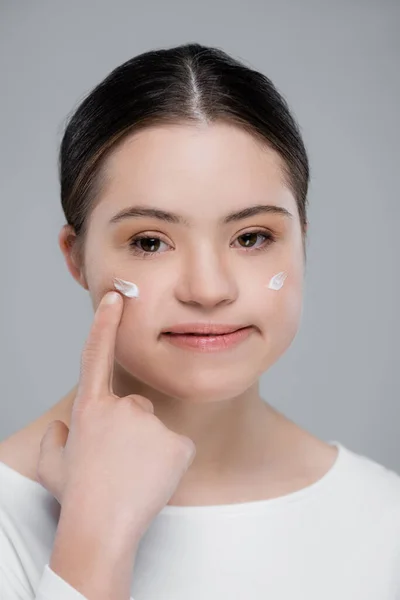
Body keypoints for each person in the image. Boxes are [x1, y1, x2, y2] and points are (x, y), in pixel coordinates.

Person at [0, 42, 399, 600]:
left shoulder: (386, 524)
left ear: (302, 242)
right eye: (150, 241)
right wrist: (93, 540)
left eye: (252, 237)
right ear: (76, 258)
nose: (209, 290)